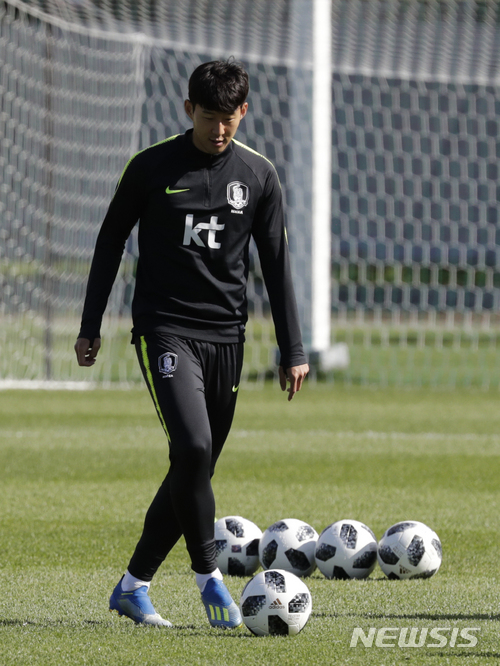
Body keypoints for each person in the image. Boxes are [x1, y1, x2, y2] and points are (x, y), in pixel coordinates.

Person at [75, 59, 309, 629]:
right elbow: (109, 243)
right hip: (166, 329)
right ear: (189, 110)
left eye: (229, 119)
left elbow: (276, 265)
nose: (219, 130)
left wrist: (293, 348)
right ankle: (210, 580)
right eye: (209, 118)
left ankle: (133, 586)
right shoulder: (152, 166)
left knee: (193, 464)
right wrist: (90, 325)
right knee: (195, 448)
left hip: (227, 337)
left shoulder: (259, 176)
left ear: (244, 112)